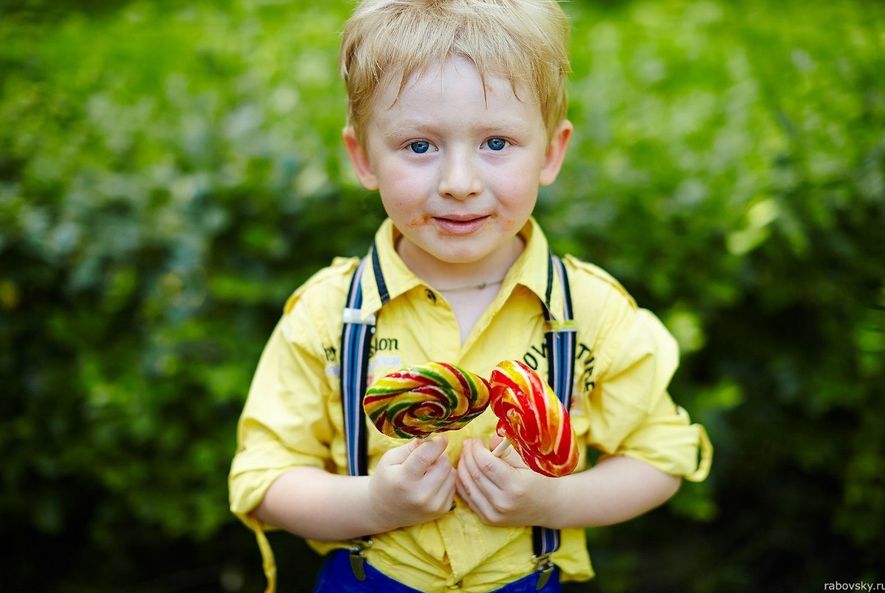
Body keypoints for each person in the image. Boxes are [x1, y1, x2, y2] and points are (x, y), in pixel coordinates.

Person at [228, 1, 712, 592]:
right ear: (363, 157)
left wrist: (553, 502)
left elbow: (660, 457)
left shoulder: (590, 313)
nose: (460, 183)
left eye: (498, 142)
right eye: (420, 146)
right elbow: (265, 478)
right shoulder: (329, 314)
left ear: (552, 152)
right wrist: (374, 505)